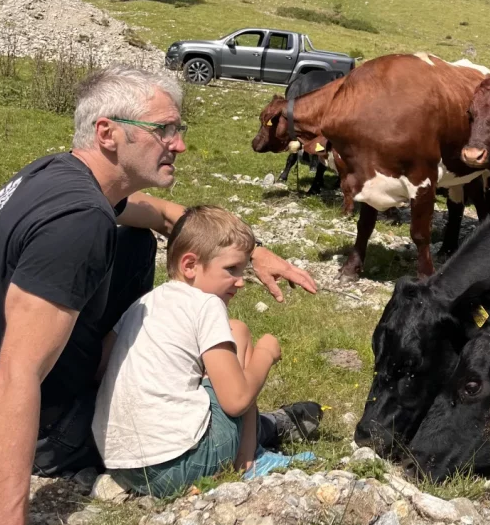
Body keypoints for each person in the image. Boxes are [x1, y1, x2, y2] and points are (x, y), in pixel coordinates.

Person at [0, 66, 317, 525]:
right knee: (227, 366)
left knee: (136, 236)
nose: (179, 143)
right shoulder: (80, 222)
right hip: (50, 431)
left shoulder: (61, 176)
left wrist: (253, 254)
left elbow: (164, 215)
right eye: (164, 130)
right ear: (109, 133)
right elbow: (16, 373)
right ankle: (265, 430)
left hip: (45, 379)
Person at [93, 205, 320, 497]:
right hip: (181, 464)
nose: (240, 281)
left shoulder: (142, 305)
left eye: (243, 270)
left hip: (123, 464)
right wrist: (265, 353)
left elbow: (100, 368)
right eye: (231, 269)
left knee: (233, 333)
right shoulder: (206, 304)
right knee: (239, 333)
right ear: (190, 265)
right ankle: (251, 460)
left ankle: (246, 452)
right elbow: (236, 401)